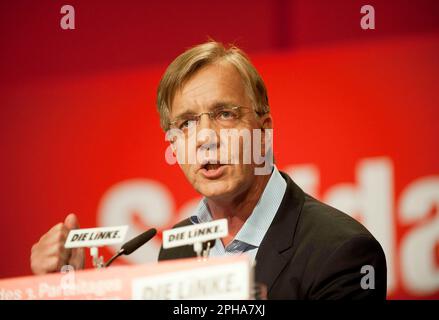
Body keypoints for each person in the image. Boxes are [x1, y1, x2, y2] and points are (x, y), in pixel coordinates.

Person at [30, 41, 387, 299]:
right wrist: (69, 290)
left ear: (263, 132)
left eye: (224, 114)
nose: (205, 139)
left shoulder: (342, 252)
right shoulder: (177, 249)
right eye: (185, 124)